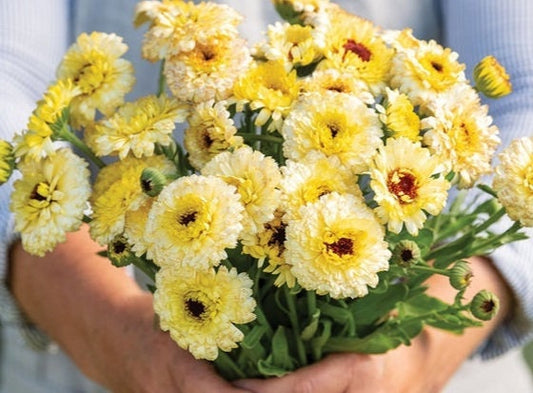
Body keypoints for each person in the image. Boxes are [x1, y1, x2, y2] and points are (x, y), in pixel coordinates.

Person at [1, 0, 532, 392]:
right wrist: (108, 327)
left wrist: (421, 350)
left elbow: (526, 88)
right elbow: (10, 77)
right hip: (87, 348)